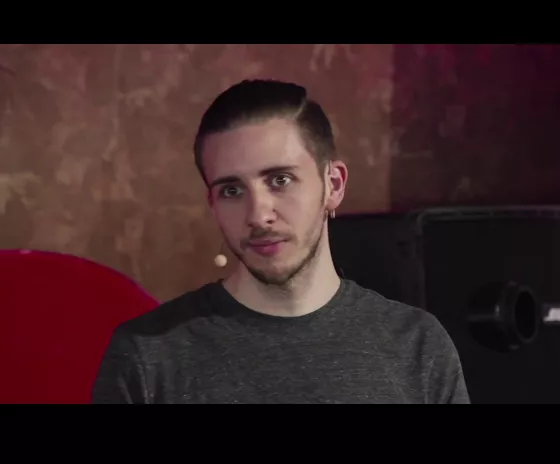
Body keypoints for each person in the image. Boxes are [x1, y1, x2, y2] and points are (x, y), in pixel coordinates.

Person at [91, 79, 470, 404]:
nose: (258, 215)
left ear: (333, 185)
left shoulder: (417, 345)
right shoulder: (148, 355)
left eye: (280, 180)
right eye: (232, 190)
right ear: (213, 204)